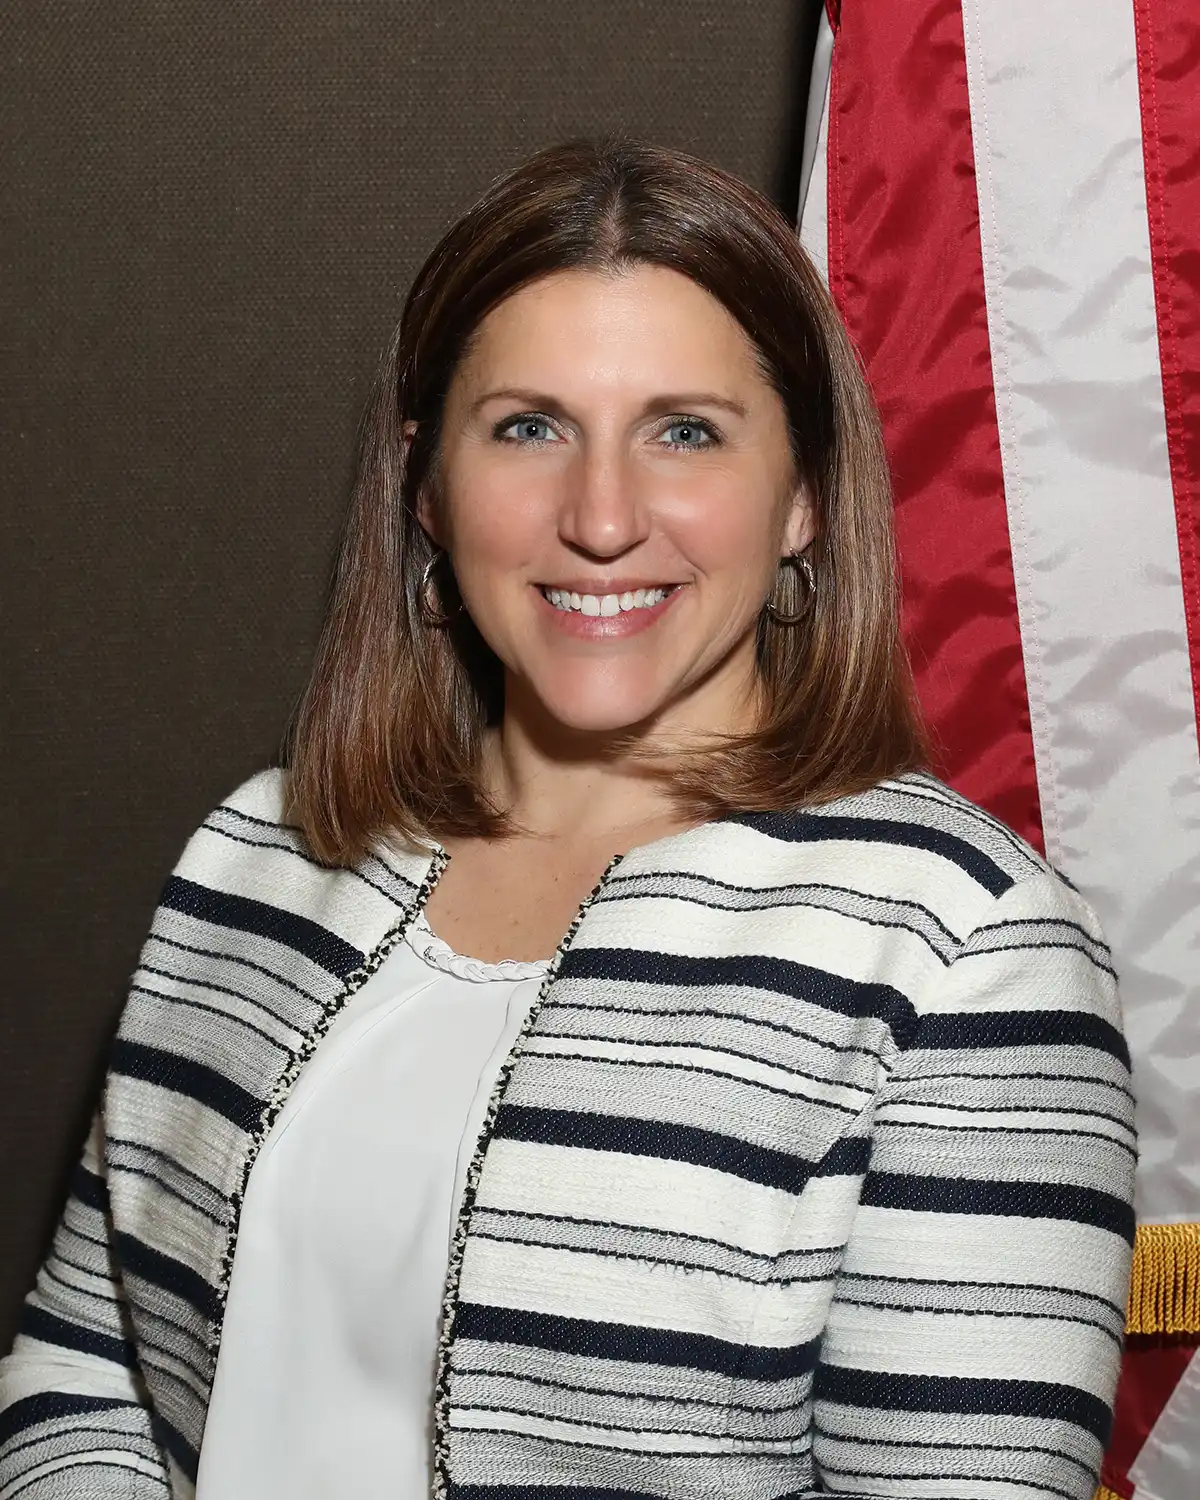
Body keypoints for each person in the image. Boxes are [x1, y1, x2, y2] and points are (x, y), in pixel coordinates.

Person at [0, 139, 1135, 1500]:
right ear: (425, 485)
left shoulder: (968, 952)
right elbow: (90, 1371)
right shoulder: (264, 851)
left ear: (806, 496)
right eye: (528, 427)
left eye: (685, 431)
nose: (601, 517)